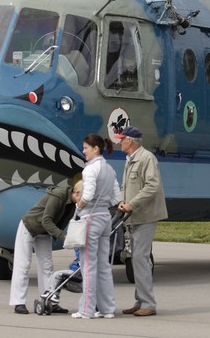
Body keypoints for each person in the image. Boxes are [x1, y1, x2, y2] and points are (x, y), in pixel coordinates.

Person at [116, 126, 168, 317]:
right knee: (137, 259)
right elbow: (125, 185)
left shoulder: (146, 158)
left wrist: (132, 204)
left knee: (140, 258)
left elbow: (152, 186)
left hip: (145, 215)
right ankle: (140, 301)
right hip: (133, 216)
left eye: (122, 139)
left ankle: (148, 304)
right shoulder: (130, 160)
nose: (120, 142)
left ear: (130, 141)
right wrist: (122, 200)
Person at [72, 134, 122, 319]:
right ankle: (108, 308)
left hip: (90, 219)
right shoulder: (110, 170)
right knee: (103, 266)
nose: (83, 151)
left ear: (96, 149)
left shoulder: (90, 170)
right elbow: (117, 197)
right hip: (105, 218)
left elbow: (87, 195)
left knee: (88, 265)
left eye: (86, 148)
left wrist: (79, 204)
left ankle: (86, 309)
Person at [9, 180, 78, 314]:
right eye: (82, 198)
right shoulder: (58, 195)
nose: (84, 201)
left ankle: (49, 301)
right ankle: (19, 302)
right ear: (76, 193)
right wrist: (63, 237)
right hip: (30, 226)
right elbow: (46, 220)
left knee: (47, 266)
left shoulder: (74, 204)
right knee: (23, 265)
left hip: (45, 232)